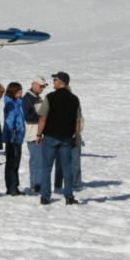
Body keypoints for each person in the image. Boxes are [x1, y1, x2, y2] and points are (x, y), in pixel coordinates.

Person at [36, 72, 81, 206]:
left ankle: (45, 196)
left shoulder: (50, 97)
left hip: (50, 137)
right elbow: (77, 121)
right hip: (67, 137)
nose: (53, 82)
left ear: (60, 82)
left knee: (47, 167)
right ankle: (69, 196)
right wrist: (76, 138)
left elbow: (42, 118)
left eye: (55, 79)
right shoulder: (74, 99)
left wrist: (39, 134)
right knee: (66, 167)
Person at [22, 76, 47, 192]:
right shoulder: (28, 98)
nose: (42, 88)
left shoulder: (37, 98)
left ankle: (40, 184)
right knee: (36, 161)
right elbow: (28, 116)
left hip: (40, 135)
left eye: (44, 86)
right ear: (34, 84)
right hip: (33, 135)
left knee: (41, 161)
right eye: (41, 86)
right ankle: (35, 185)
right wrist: (43, 117)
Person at [55, 97, 84, 191]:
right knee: (60, 162)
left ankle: (76, 184)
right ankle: (58, 185)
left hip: (74, 135)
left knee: (75, 162)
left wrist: (77, 133)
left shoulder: (75, 105)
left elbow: (80, 121)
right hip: (61, 136)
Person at [3, 82, 26, 196]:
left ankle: (14, 186)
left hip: (18, 137)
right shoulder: (10, 104)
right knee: (12, 162)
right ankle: (11, 187)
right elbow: (9, 120)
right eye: (18, 91)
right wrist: (14, 130)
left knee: (16, 162)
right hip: (13, 137)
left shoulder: (18, 103)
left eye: (21, 91)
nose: (20, 93)